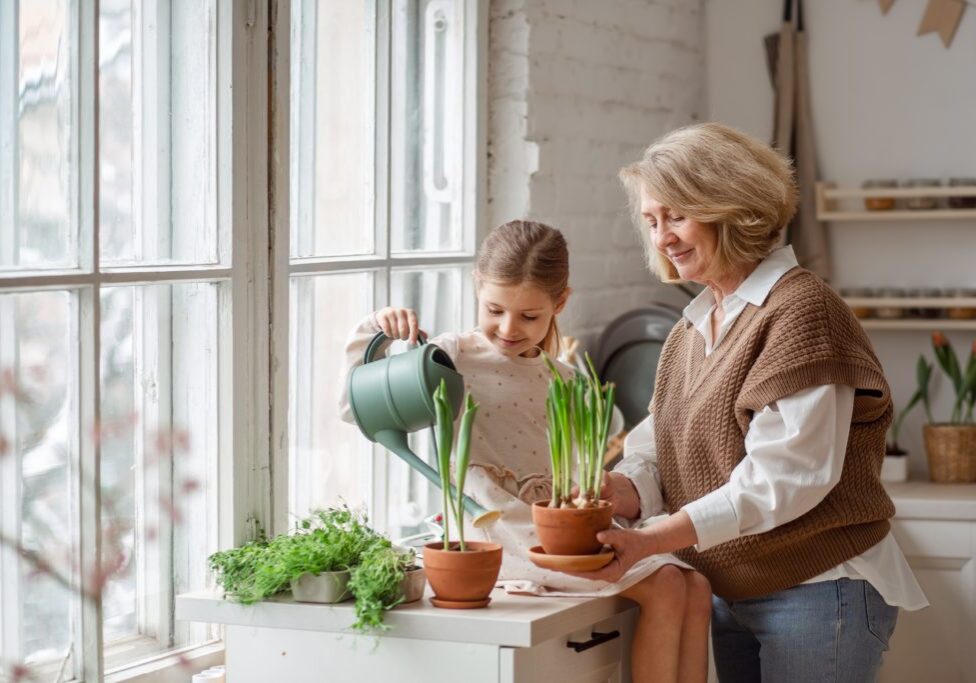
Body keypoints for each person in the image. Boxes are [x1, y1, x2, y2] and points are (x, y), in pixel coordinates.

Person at [566, 123, 928, 682]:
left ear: (730, 206)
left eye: (677, 215)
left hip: (817, 588)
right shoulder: (693, 328)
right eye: (652, 221)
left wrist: (651, 539)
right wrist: (624, 488)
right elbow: (660, 448)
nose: (662, 237)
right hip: (734, 588)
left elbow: (789, 476)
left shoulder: (801, 312)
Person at [339, 219, 711, 683]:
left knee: (697, 586)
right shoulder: (450, 357)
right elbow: (356, 410)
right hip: (500, 528)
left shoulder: (564, 378)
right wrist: (374, 331)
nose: (509, 328)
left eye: (530, 317)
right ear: (478, 287)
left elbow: (575, 472)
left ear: (560, 303)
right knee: (668, 585)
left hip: (557, 524)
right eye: (494, 309)